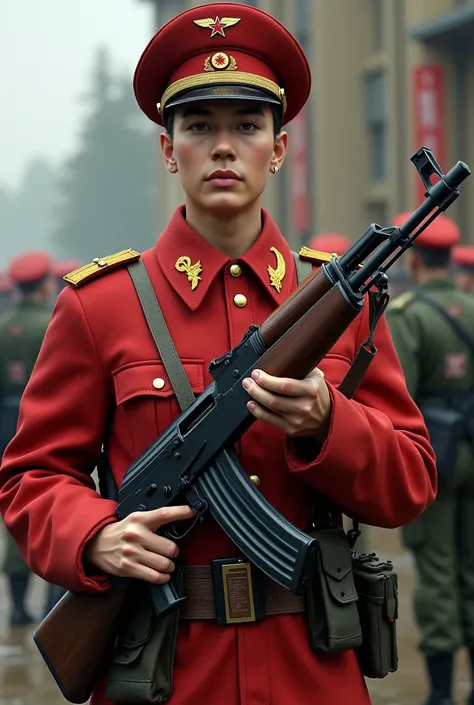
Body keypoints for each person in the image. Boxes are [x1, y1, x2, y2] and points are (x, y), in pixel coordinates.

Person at [0, 5, 436, 704]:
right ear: (169, 151)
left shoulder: (335, 303)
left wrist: (330, 424)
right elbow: (31, 477)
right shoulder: (100, 304)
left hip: (311, 669)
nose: (224, 147)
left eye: (247, 126)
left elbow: (411, 481)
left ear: (281, 148)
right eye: (200, 127)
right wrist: (93, 536)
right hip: (166, 671)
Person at [387, 213, 474, 705]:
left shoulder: (408, 316)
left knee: (437, 571)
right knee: (471, 569)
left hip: (437, 458)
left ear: (414, 260)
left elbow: (404, 396)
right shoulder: (473, 306)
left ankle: (441, 692)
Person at [0, 251, 54, 626]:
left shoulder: (2, 326)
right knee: (48, 507)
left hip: (5, 422)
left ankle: (18, 606)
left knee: (12, 511)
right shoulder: (51, 322)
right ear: (45, 284)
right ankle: (53, 604)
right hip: (41, 423)